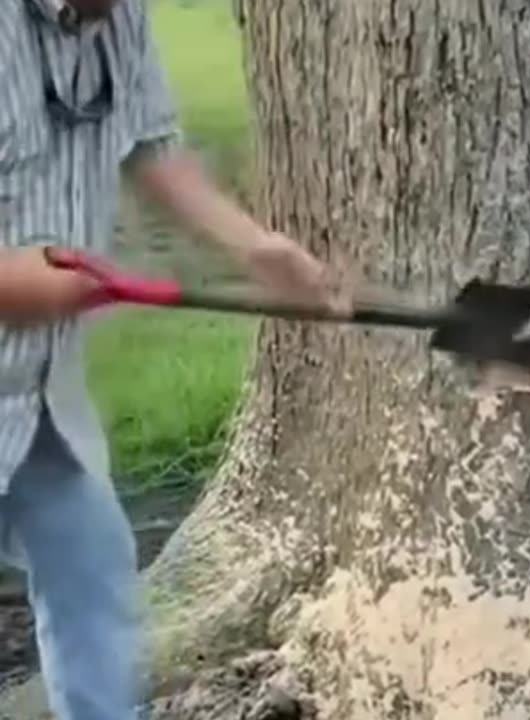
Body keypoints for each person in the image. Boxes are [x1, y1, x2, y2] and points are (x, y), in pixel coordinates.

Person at [0, 0, 344, 718]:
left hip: (35, 402)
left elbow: (151, 143)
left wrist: (252, 246)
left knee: (91, 571)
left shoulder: (120, 18)